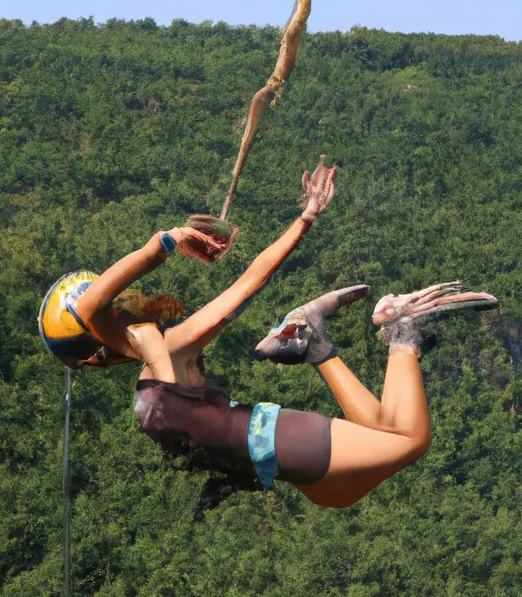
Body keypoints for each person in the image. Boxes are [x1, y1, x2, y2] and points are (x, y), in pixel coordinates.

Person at [39, 160, 498, 508]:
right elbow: (246, 283)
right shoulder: (171, 348)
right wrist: (304, 219)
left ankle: (399, 328)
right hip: (280, 458)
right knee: (355, 478)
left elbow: (91, 305)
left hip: (280, 438)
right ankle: (327, 340)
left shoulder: (167, 351)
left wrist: (168, 241)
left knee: (408, 441)